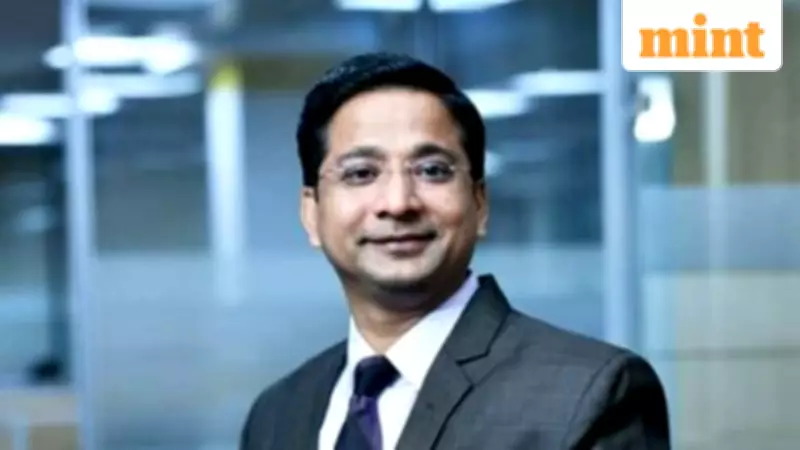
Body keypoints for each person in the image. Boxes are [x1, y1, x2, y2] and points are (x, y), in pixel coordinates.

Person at [240, 52, 670, 450]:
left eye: (432, 170)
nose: (398, 202)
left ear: (480, 204)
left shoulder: (591, 393)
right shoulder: (277, 415)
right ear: (311, 213)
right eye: (361, 173)